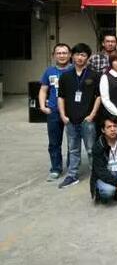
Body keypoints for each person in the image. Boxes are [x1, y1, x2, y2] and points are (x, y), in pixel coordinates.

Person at [57, 43, 101, 188]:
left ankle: (97, 175)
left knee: (91, 149)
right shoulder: (65, 76)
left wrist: (92, 115)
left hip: (87, 120)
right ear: (72, 56)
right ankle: (72, 175)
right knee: (73, 150)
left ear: (87, 57)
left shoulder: (94, 75)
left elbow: (99, 97)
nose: (80, 57)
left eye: (83, 55)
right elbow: (61, 97)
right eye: (77, 54)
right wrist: (63, 116)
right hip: (70, 120)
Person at [39, 43, 72, 181]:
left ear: (69, 55)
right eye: (59, 53)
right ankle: (56, 168)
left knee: (72, 142)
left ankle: (72, 168)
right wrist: (43, 106)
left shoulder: (74, 69)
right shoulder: (49, 71)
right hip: (53, 111)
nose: (62, 55)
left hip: (71, 112)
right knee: (54, 142)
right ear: (54, 55)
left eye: (64, 53)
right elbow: (43, 90)